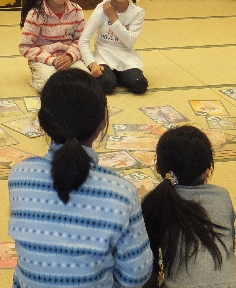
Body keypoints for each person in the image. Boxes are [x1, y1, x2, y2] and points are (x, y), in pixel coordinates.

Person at [8, 69, 152, 287]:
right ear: (103, 120)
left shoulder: (19, 175)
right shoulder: (121, 193)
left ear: (42, 121)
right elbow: (135, 276)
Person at [141, 125, 236, 288]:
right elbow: (230, 248)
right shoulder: (221, 196)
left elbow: (146, 269)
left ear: (158, 167)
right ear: (207, 171)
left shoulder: (154, 202)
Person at [78, 0, 148, 95]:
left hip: (126, 57)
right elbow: (83, 41)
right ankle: (113, 77)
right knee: (106, 84)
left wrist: (113, 18)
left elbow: (129, 42)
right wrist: (92, 64)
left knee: (139, 84)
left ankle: (119, 76)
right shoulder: (101, 9)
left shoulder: (138, 12)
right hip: (103, 56)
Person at [18, 0, 88, 92]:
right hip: (44, 59)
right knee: (48, 85)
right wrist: (52, 60)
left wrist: (70, 56)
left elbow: (81, 40)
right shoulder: (36, 14)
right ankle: (35, 77)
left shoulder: (76, 10)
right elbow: (25, 47)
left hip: (68, 57)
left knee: (86, 82)